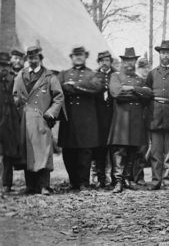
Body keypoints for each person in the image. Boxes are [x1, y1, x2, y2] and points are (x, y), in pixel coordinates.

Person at [12, 46, 64, 195]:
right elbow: (15, 95)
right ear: (27, 59)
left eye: (35, 58)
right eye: (30, 58)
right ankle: (30, 185)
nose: (32, 60)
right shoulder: (20, 76)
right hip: (25, 120)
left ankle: (44, 186)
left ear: (40, 59)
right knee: (28, 153)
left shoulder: (49, 77)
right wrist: (18, 104)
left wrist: (51, 113)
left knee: (43, 152)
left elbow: (59, 97)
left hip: (42, 119)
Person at [107, 48, 153, 194]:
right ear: (123, 61)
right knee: (119, 150)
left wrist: (132, 88)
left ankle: (127, 179)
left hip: (135, 118)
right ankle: (118, 181)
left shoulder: (139, 79)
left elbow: (148, 94)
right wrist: (136, 94)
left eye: (132, 60)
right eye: (126, 60)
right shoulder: (115, 76)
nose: (129, 63)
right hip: (122, 118)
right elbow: (116, 93)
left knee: (133, 149)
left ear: (135, 62)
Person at [57, 46, 102, 191]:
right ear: (71, 57)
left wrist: (74, 86)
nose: (78, 57)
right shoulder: (63, 74)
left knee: (85, 151)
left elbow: (96, 87)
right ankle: (73, 181)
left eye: (80, 55)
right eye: (75, 55)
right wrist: (75, 88)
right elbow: (58, 88)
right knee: (68, 152)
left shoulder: (92, 74)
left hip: (86, 119)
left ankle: (84, 182)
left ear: (85, 56)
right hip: (68, 118)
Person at [146, 41, 169, 190]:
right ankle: (155, 181)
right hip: (155, 116)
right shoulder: (152, 73)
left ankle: (168, 182)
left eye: (167, 52)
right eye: (162, 52)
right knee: (155, 152)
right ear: (159, 54)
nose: (165, 55)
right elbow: (146, 95)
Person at [0, 52, 21, 198]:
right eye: (1, 65)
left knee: (9, 155)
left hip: (10, 124)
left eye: (7, 65)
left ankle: (7, 185)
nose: (4, 68)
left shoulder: (13, 81)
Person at [94, 51, 116, 188]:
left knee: (114, 148)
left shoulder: (116, 74)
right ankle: (101, 178)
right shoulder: (95, 75)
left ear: (110, 61)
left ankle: (115, 178)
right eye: (101, 60)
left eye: (107, 60)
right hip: (98, 117)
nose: (104, 62)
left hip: (114, 116)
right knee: (100, 149)